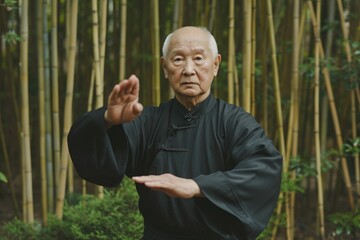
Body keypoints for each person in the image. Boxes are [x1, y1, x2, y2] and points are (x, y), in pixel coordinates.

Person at [68, 26, 282, 240]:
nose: (188, 69)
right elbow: (96, 153)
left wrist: (198, 186)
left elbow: (264, 169)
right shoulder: (147, 121)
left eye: (198, 58)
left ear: (215, 64)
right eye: (178, 60)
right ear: (164, 67)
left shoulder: (234, 122)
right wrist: (108, 120)